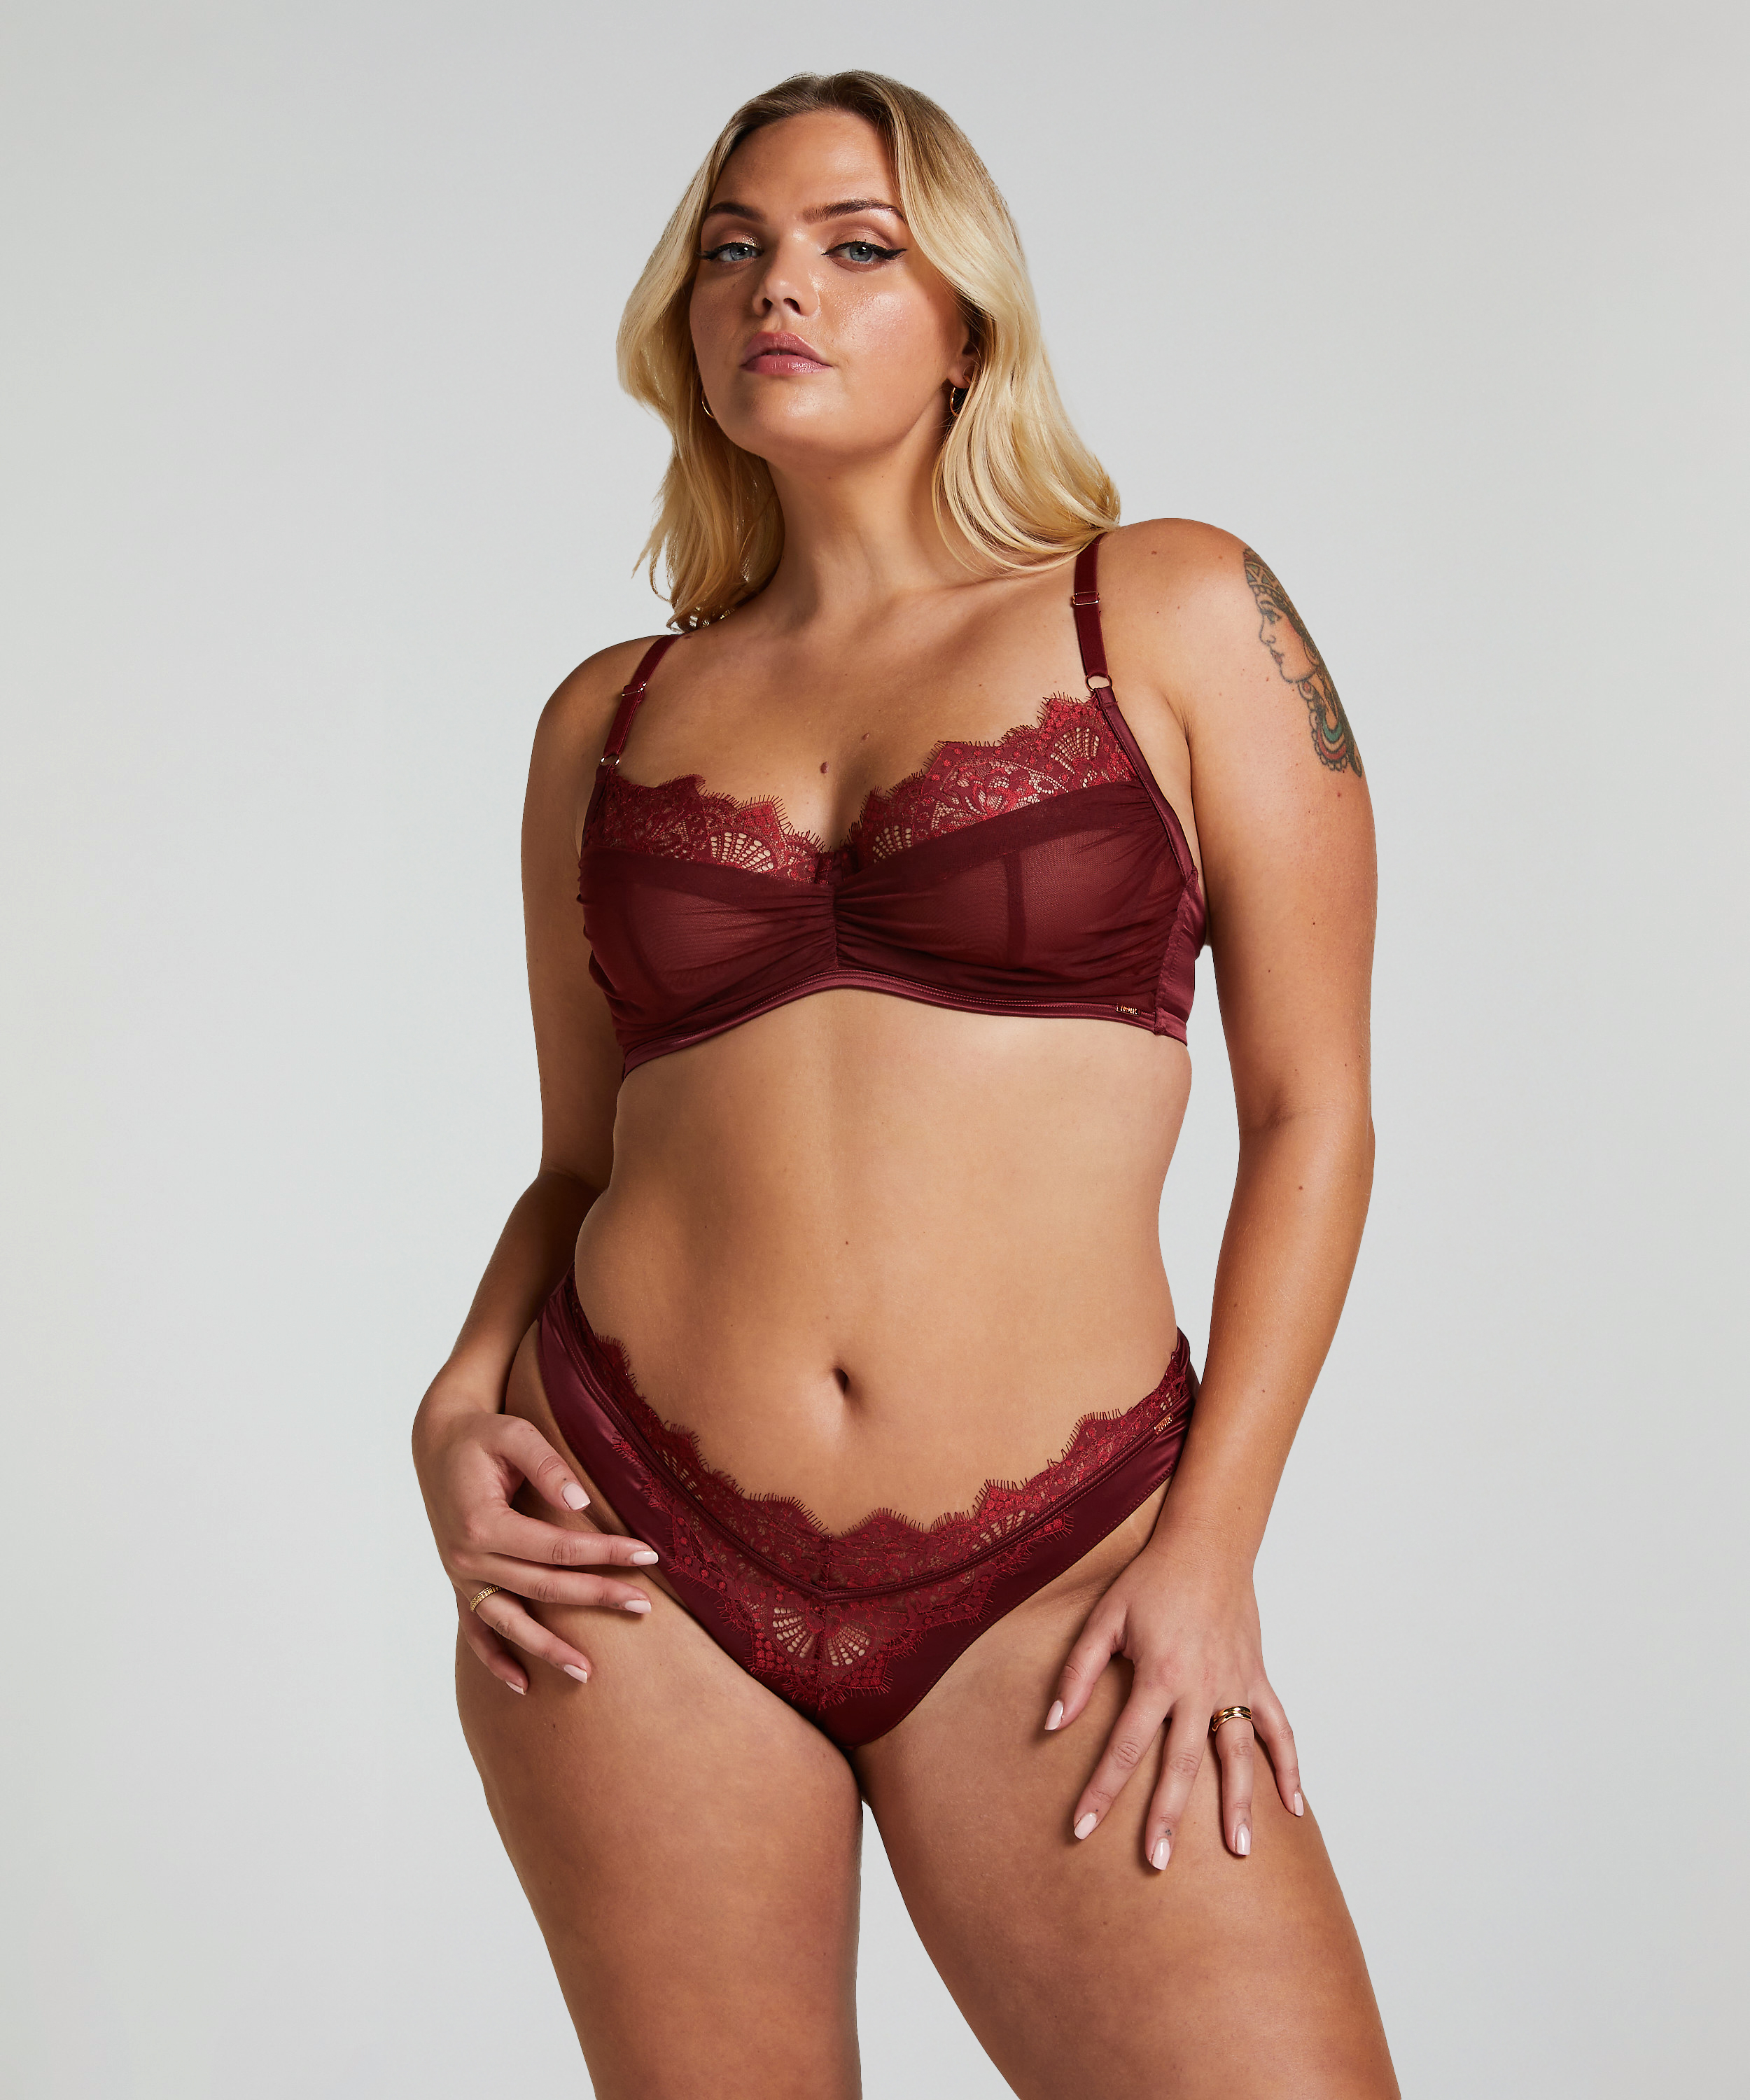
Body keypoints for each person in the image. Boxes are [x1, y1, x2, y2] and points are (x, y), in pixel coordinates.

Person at [412, 67, 1396, 2099]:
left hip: (1068, 1564)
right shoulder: (607, 716)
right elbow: (580, 1162)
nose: (780, 287)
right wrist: (455, 1394)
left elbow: (1313, 1115)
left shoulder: (1172, 609)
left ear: (966, 325)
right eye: (733, 251)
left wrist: (1211, 1552)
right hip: (633, 1557)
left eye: (856, 247)